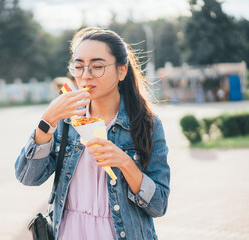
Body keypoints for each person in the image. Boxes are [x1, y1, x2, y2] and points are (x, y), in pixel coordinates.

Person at [15, 27, 170, 240]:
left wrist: (125, 163)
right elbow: (27, 177)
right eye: (78, 67)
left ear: (122, 70)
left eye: (97, 66)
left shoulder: (147, 125)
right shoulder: (65, 120)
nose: (86, 76)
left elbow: (159, 205)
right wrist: (47, 122)